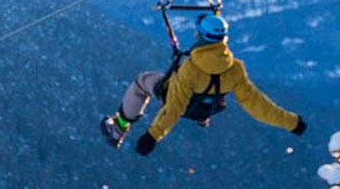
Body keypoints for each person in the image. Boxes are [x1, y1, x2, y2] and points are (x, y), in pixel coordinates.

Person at [101, 13, 306, 153]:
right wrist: (291, 122)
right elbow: (258, 105)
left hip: (185, 103)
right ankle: (202, 116)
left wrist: (152, 136)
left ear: (201, 36)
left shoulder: (191, 69)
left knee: (141, 82)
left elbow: (174, 107)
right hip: (208, 108)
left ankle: (118, 128)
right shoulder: (234, 69)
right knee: (204, 95)